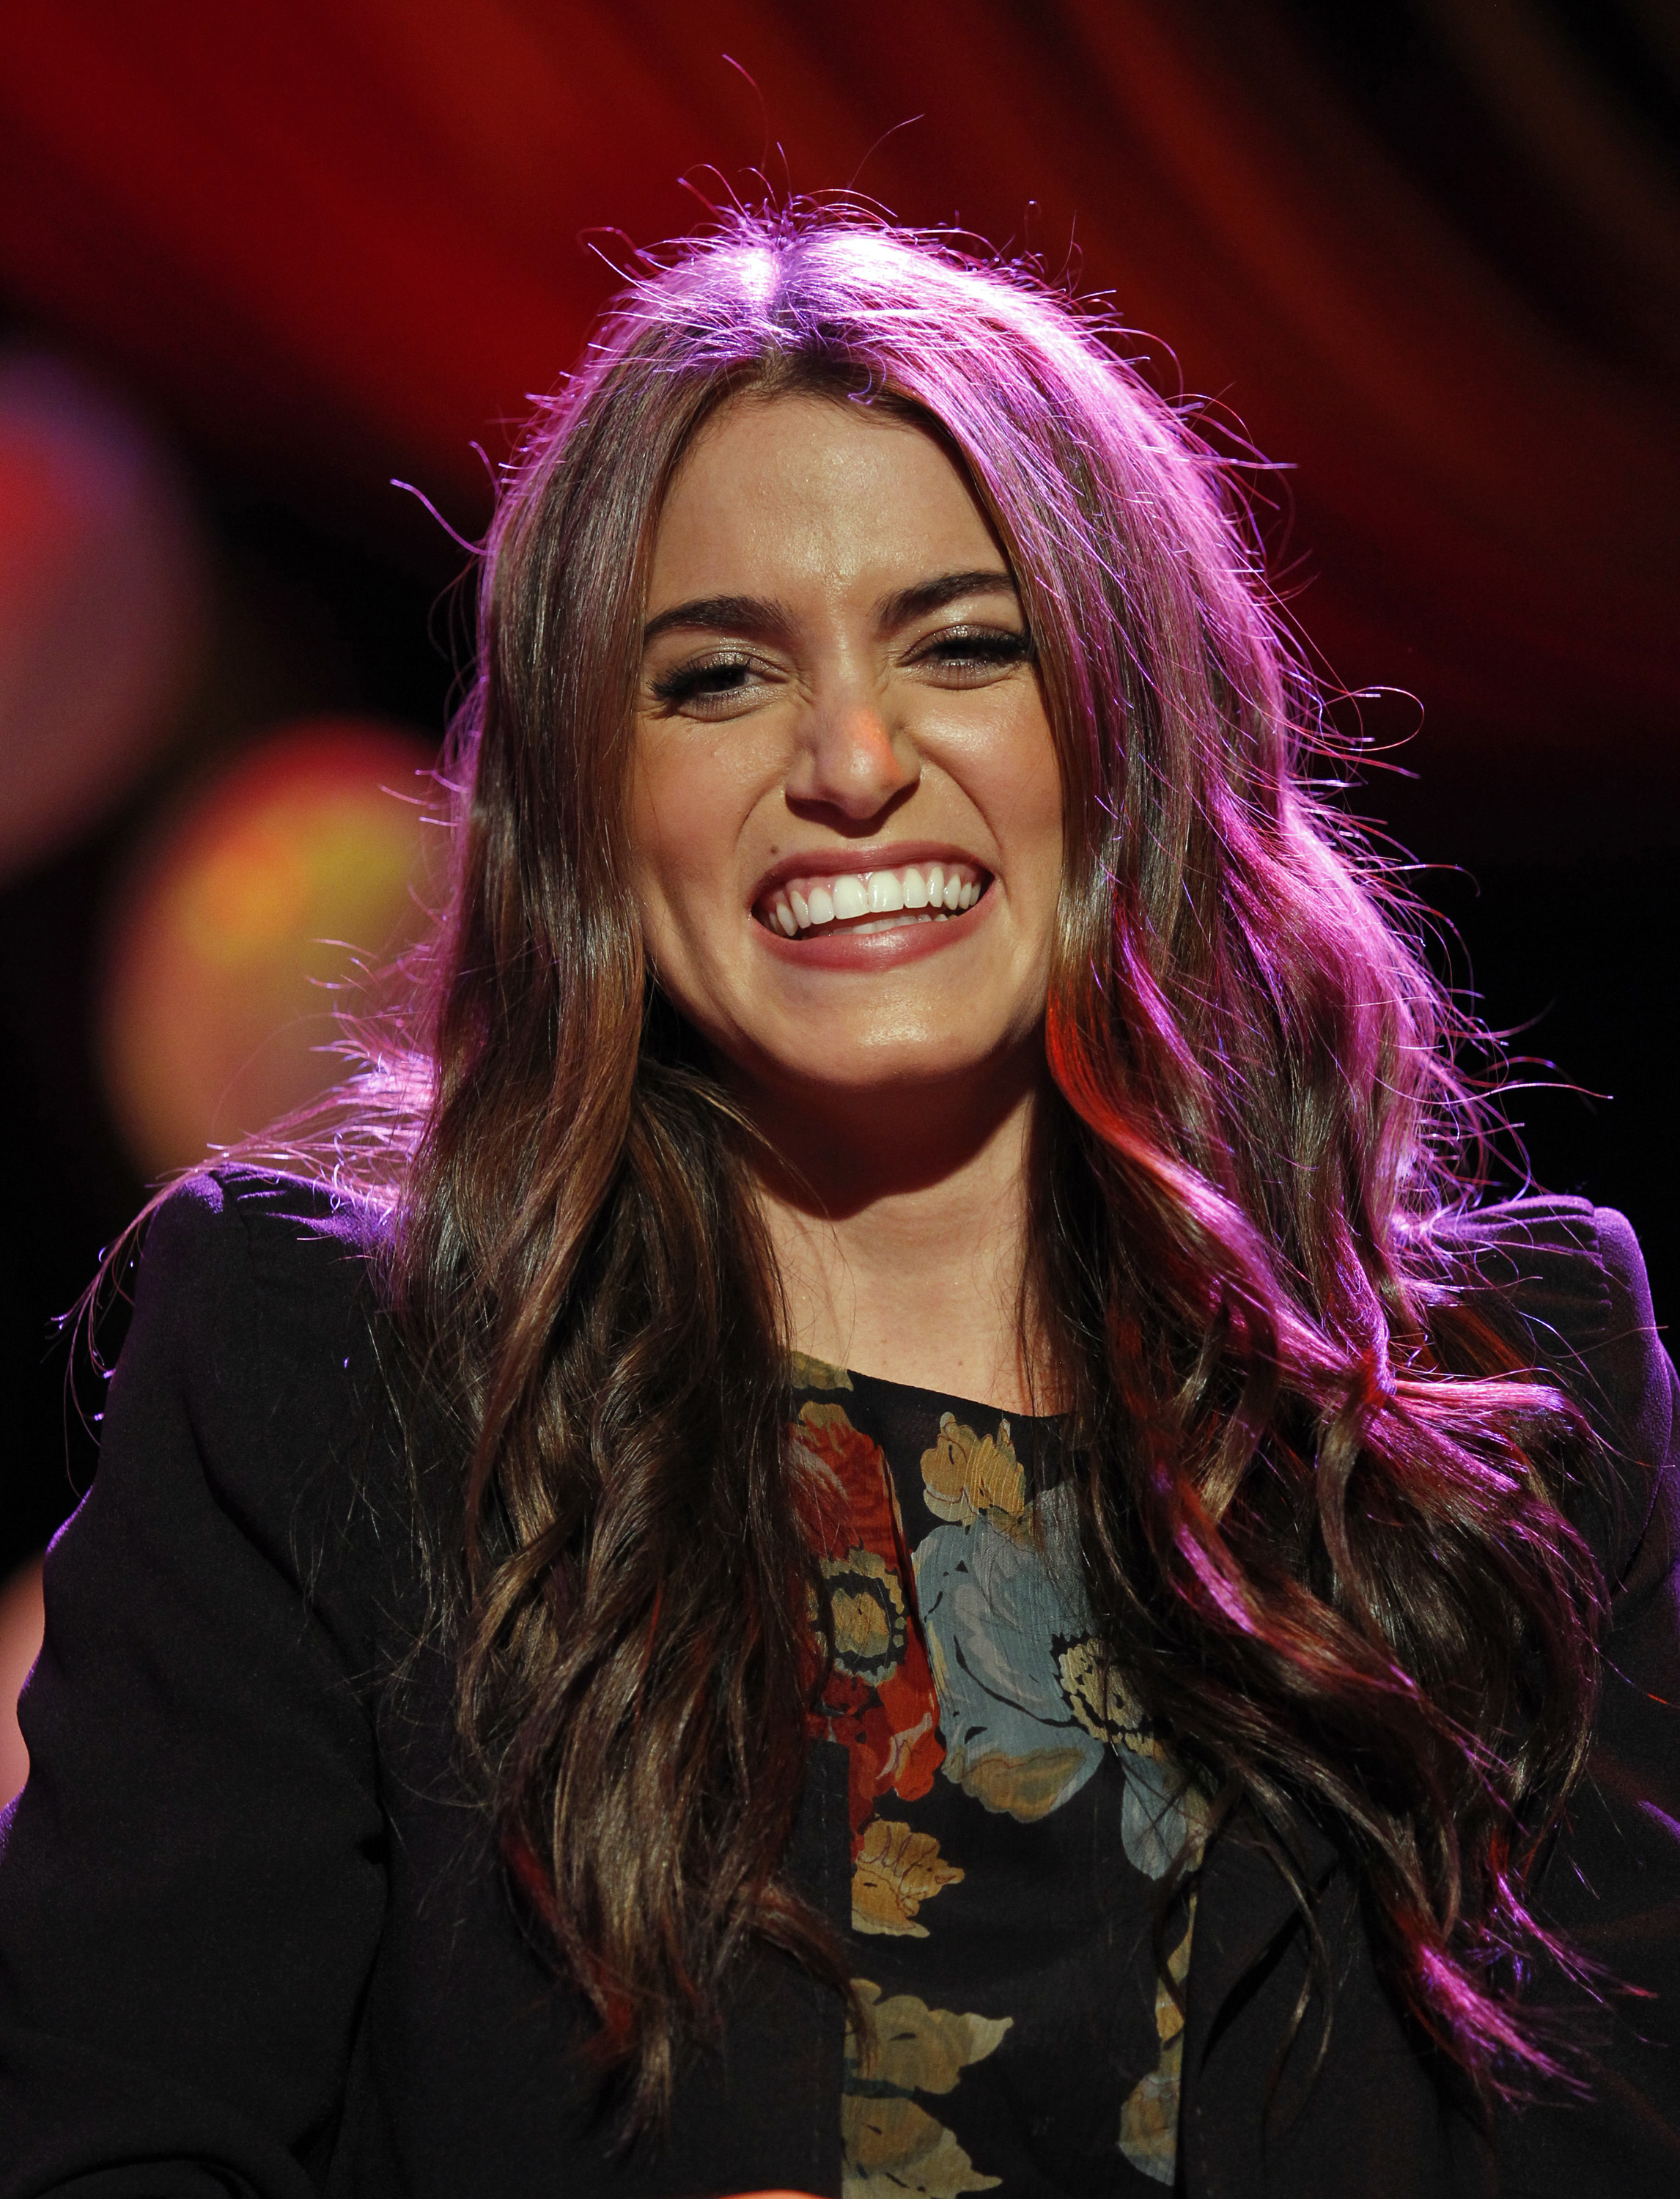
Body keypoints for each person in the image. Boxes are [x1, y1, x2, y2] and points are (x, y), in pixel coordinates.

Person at [1, 210, 1675, 2199]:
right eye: (716, 678)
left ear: (1134, 720)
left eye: (963, 646)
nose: (853, 763)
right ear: (588, 800)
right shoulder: (331, 1391)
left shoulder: (1507, 1408)